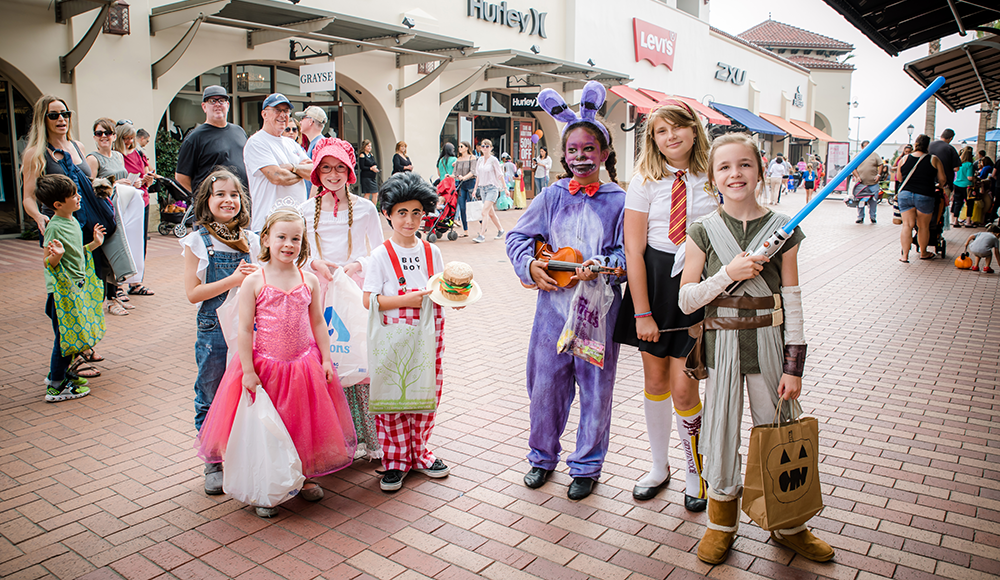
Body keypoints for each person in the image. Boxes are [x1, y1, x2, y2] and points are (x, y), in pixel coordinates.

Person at [678, 132, 834, 565]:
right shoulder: (703, 231)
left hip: (769, 344)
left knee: (779, 433)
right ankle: (721, 523)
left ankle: (789, 523)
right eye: (725, 167)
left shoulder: (785, 229)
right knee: (721, 432)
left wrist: (794, 365)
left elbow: (794, 299)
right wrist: (728, 273)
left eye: (744, 165)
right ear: (712, 177)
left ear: (760, 170)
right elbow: (687, 299)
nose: (735, 174)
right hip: (724, 344)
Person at [506, 81, 626, 501]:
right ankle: (541, 457)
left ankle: (587, 465)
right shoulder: (551, 195)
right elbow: (517, 238)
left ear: (605, 155)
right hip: (551, 314)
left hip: (598, 314)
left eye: (588, 150)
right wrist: (531, 265)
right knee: (545, 387)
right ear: (563, 155)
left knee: (595, 389)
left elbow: (627, 254)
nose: (580, 158)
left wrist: (606, 266)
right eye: (572, 151)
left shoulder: (619, 201)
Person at [197, 205, 356, 517]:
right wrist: (247, 370)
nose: (288, 244)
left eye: (295, 239)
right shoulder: (254, 281)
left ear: (303, 242)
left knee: (303, 421)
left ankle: (304, 474)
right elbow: (243, 329)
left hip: (303, 365)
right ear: (266, 238)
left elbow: (319, 324)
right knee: (269, 424)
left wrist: (325, 359)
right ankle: (266, 483)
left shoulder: (308, 280)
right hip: (266, 366)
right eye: (281, 237)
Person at [612, 99, 713, 509]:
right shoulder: (644, 180)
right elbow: (633, 250)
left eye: (677, 128)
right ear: (652, 139)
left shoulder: (713, 175)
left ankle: (695, 470)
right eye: (660, 131)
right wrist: (641, 312)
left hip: (697, 282)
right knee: (655, 382)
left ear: (693, 131)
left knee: (684, 386)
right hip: (652, 285)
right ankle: (659, 466)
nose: (671, 137)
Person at [363, 172, 452, 492]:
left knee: (425, 393)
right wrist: (406, 300)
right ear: (387, 213)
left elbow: (441, 290)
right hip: (392, 337)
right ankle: (396, 460)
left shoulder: (433, 252)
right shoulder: (380, 256)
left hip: (429, 337)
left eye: (417, 212)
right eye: (402, 212)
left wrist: (456, 299)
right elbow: (368, 300)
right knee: (394, 396)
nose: (410, 220)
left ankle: (420, 453)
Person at [300, 137, 384, 460]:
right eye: (326, 168)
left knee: (358, 361)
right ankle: (333, 438)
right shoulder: (305, 210)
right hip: (317, 292)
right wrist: (315, 265)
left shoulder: (365, 208)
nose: (333, 174)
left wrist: (356, 266)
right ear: (317, 172)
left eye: (339, 168)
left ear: (349, 171)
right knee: (324, 362)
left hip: (353, 291)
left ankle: (365, 438)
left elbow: (378, 250)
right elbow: (299, 252)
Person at [181, 168, 260, 495]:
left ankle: (247, 454)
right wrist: (233, 280)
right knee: (210, 392)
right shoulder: (197, 241)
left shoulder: (251, 239)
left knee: (248, 389)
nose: (228, 201)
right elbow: (193, 293)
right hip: (213, 328)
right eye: (220, 194)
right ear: (206, 200)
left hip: (248, 327)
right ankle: (212, 459)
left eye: (233, 195)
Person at [37, 174, 106, 402]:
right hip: (60, 294)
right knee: (64, 340)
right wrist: (56, 258)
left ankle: (60, 374)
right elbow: (48, 262)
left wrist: (94, 244)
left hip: (74, 290)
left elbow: (75, 254)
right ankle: (56, 385)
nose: (79, 197)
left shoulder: (73, 221)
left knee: (71, 336)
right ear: (58, 205)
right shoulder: (54, 227)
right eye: (73, 195)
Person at [20, 96, 89, 236]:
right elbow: (28, 197)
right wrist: (38, 217)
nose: (61, 119)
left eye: (65, 114)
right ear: (43, 120)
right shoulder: (36, 153)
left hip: (88, 220)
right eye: (53, 115)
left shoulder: (78, 146)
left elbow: (88, 184)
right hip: (59, 225)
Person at [243, 93, 313, 232]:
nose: (283, 115)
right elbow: (277, 177)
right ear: (264, 114)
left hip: (297, 222)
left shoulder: (291, 143)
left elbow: (314, 172)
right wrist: (300, 171)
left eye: (286, 111)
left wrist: (292, 168)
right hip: (269, 224)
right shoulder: (256, 142)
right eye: (277, 110)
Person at [86, 117, 134, 317]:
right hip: (103, 210)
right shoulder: (93, 158)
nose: (103, 136)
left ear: (114, 135)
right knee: (107, 254)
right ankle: (109, 300)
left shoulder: (118, 155)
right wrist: (113, 185)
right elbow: (91, 186)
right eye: (99, 133)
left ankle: (116, 295)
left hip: (120, 209)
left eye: (107, 133)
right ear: (95, 137)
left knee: (119, 250)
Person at [174, 85, 249, 194]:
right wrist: (204, 198)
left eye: (221, 101)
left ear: (227, 105)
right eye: (212, 101)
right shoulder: (195, 137)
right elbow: (181, 177)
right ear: (204, 107)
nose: (218, 104)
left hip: (241, 200)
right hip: (213, 205)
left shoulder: (239, 131)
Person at [115, 122, 157, 295]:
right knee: (121, 243)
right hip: (123, 202)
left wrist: (147, 179)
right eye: (126, 138)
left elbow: (147, 175)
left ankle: (136, 282)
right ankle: (118, 284)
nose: (129, 141)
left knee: (139, 243)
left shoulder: (139, 153)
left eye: (131, 138)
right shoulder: (115, 156)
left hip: (142, 200)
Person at [897, 134, 950, 262]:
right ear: (927, 146)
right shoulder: (933, 159)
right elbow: (943, 179)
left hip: (905, 194)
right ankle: (923, 252)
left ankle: (904, 256)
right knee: (923, 226)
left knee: (907, 225)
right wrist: (938, 185)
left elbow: (899, 178)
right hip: (925, 195)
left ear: (915, 144)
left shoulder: (904, 159)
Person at [471, 139, 505, 243]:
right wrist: (475, 189)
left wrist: (505, 188)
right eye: (483, 146)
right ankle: (501, 229)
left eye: (487, 146)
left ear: (491, 148)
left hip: (492, 188)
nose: (485, 148)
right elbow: (478, 176)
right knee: (490, 213)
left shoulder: (493, 160)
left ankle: (482, 235)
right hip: (482, 188)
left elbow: (500, 174)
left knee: (484, 212)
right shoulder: (480, 160)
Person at [851, 151, 882, 224]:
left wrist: (878, 175)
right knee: (860, 201)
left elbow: (881, 164)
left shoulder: (874, 155)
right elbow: (852, 167)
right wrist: (857, 176)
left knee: (873, 201)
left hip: (873, 183)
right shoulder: (858, 155)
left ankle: (872, 216)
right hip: (861, 183)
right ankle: (860, 217)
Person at [453, 141, 476, 237]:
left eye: (461, 146)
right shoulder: (458, 159)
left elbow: (473, 172)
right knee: (462, 207)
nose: (460, 148)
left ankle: (482, 222)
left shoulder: (472, 158)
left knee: (473, 206)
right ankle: (465, 230)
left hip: (470, 183)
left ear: (467, 147)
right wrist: (450, 176)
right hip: (461, 184)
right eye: (459, 146)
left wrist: (464, 177)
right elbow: (455, 173)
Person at [952, 147, 975, 227]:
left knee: (958, 203)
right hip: (967, 186)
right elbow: (970, 177)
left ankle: (955, 221)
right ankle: (968, 221)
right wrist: (974, 178)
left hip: (957, 184)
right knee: (970, 203)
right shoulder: (969, 164)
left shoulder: (959, 164)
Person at [357, 139, 380, 203]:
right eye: (368, 146)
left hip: (372, 177)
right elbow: (362, 167)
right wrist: (370, 168)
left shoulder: (371, 154)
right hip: (366, 177)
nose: (370, 148)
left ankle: (373, 209)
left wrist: (375, 167)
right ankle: (365, 208)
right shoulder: (362, 155)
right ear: (364, 147)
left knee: (375, 193)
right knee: (367, 194)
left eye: (370, 146)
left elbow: (374, 163)